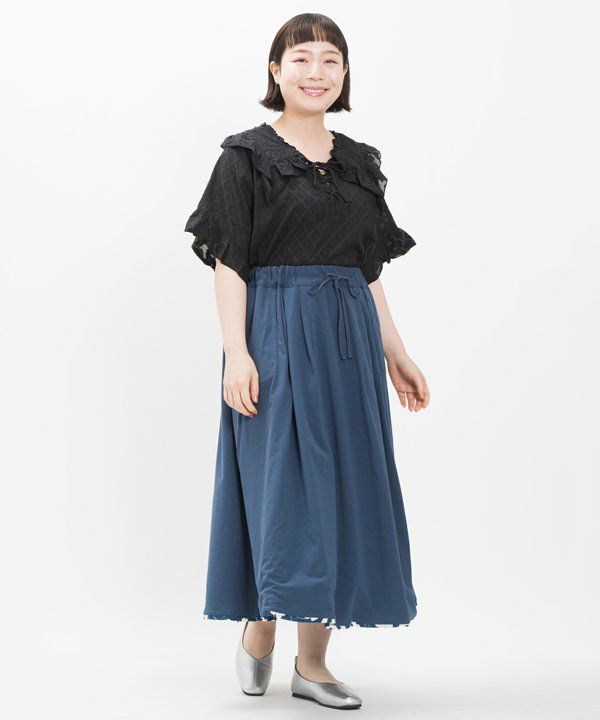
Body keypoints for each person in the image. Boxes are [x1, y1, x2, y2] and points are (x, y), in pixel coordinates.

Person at [183, 13, 430, 711]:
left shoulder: (359, 163)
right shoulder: (246, 157)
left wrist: (396, 352)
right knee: (281, 487)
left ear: (345, 74)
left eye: (330, 60)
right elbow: (230, 261)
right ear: (276, 70)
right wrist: (238, 352)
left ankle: (313, 664)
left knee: (339, 491)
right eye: (301, 59)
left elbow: (366, 271)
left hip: (349, 340)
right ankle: (261, 623)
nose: (316, 72)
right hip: (276, 333)